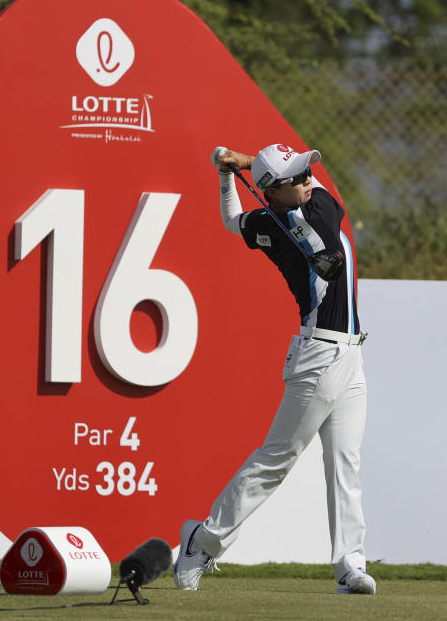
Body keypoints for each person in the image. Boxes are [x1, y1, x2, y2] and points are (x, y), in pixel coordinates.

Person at [172, 143, 375, 595]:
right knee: (277, 458)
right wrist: (227, 180)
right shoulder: (275, 225)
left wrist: (236, 165)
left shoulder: (313, 200)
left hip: (352, 354)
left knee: (345, 461)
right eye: (298, 176)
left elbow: (238, 216)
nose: (309, 179)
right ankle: (202, 541)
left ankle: (350, 565)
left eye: (307, 172)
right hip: (318, 355)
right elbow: (231, 221)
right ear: (273, 190)